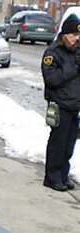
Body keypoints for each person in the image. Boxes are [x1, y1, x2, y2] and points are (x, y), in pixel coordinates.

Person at [41, 13, 80, 192]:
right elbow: (52, 79)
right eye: (73, 35)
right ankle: (52, 177)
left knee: (69, 145)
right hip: (60, 106)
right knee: (58, 143)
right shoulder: (52, 53)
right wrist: (73, 68)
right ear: (64, 35)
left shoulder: (77, 52)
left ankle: (63, 175)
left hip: (74, 106)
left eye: (78, 36)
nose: (76, 39)